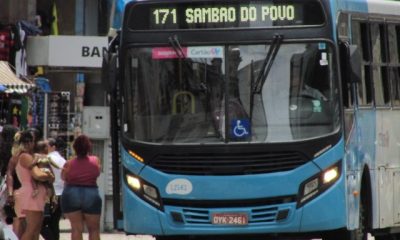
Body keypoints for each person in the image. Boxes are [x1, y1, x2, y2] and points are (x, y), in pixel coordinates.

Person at [14, 130, 55, 240]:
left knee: (35, 231)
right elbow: (37, 175)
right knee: (31, 230)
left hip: (33, 193)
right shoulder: (25, 157)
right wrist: (48, 175)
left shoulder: (23, 156)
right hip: (32, 194)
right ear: (29, 142)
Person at [61, 134, 102, 240]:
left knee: (76, 228)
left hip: (71, 193)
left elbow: (63, 177)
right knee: (94, 229)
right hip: (91, 193)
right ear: (89, 147)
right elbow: (97, 173)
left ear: (75, 148)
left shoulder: (69, 163)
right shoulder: (95, 160)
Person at [40, 137, 66, 240]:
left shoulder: (46, 159)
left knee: (41, 223)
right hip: (61, 194)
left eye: (46, 145)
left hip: (50, 195)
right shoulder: (63, 160)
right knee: (54, 223)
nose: (43, 148)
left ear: (53, 147)